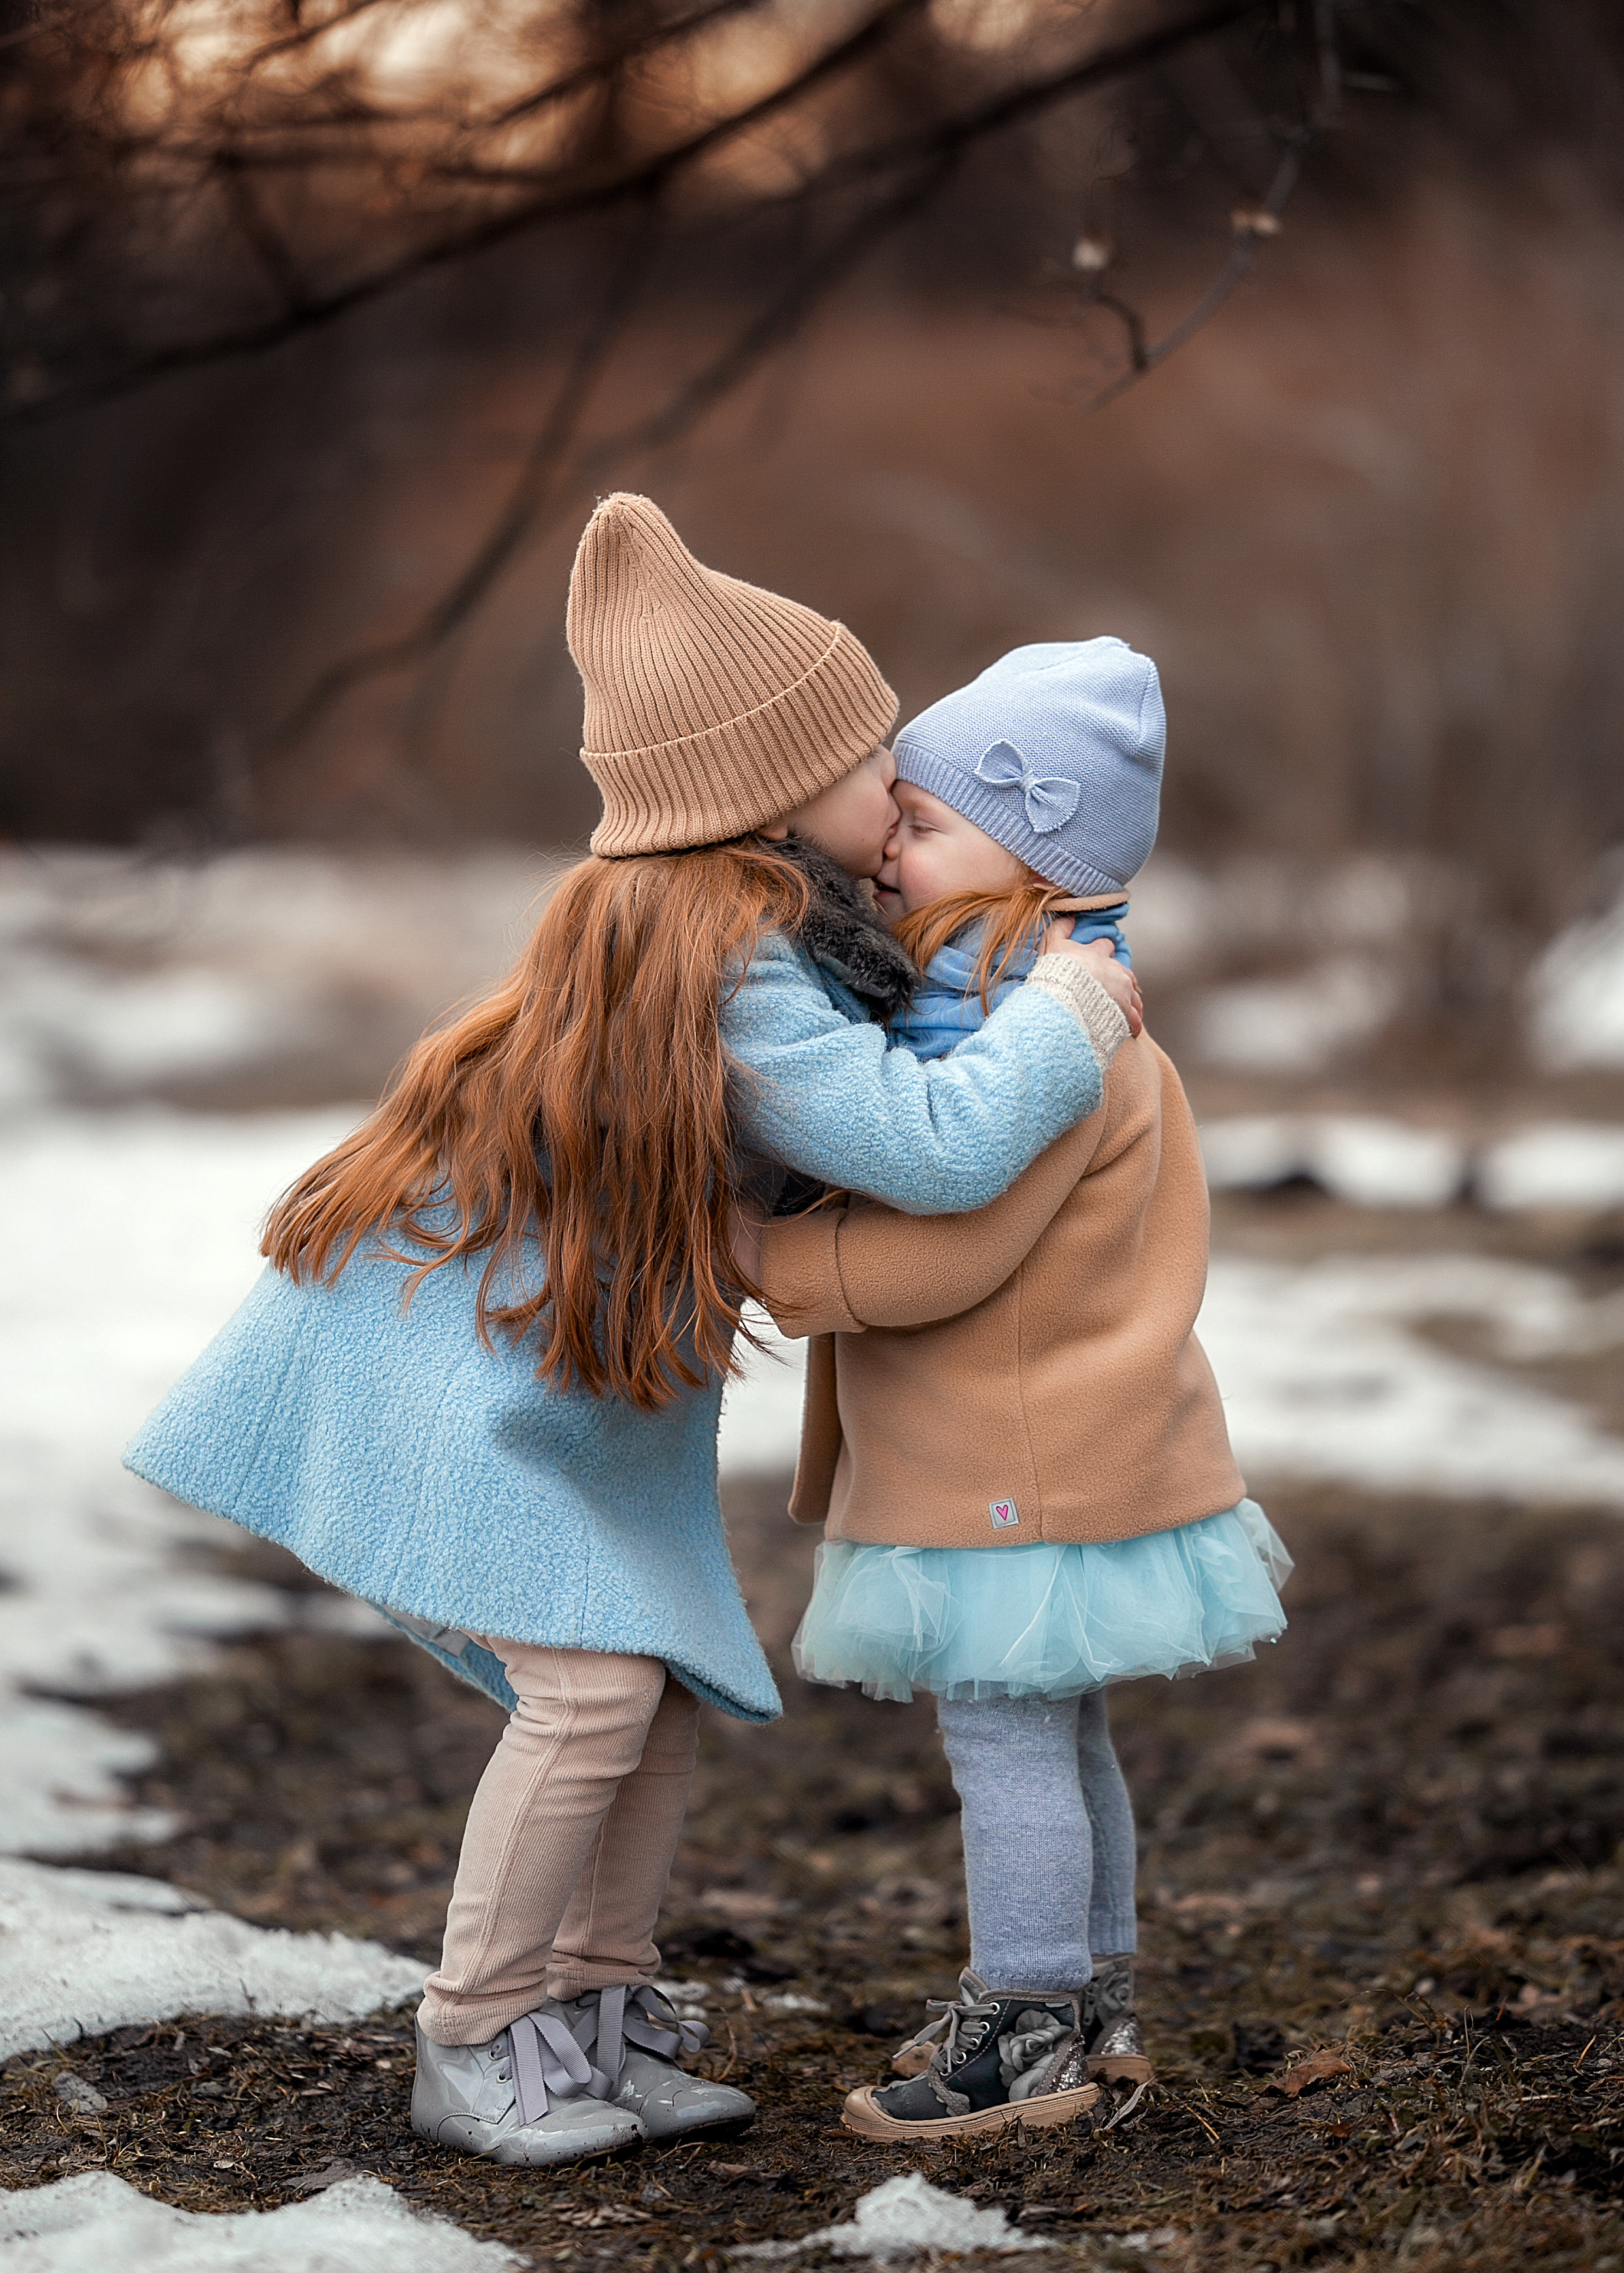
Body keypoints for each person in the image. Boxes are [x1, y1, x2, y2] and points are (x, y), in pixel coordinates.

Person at [124, 503, 1140, 2171]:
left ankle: (590, 2004)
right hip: (446, 1364)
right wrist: (1068, 1014)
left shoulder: (737, 930)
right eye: (872, 755)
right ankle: (472, 2026)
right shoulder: (734, 960)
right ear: (773, 784)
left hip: (536, 1367)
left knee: (643, 1685)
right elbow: (931, 1147)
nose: (896, 786)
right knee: (591, 1695)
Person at [748, 639, 1291, 2144]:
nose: (890, 853)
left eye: (920, 825)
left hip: (1012, 1446)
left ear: (1031, 846)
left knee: (1002, 1733)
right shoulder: (1043, 999)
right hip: (1059, 1435)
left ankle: (1028, 2023)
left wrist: (757, 1252)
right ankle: (1093, 2000)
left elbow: (946, 1254)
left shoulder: (1028, 1024)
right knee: (1062, 1727)